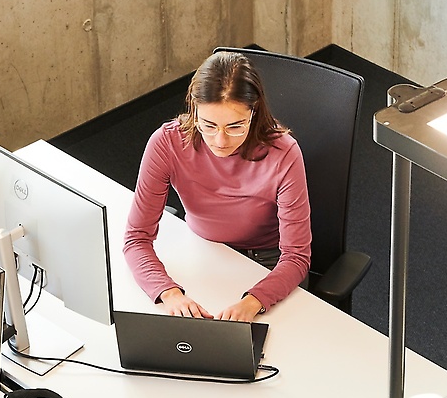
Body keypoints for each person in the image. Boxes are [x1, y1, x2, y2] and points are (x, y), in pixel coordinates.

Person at [123, 50, 311, 322]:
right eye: (208, 125)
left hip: (267, 263)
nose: (220, 141)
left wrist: (252, 303)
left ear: (253, 112)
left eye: (235, 127)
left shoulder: (284, 153)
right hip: (202, 249)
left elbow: (296, 257)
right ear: (194, 110)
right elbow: (136, 238)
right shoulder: (167, 143)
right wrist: (169, 293)